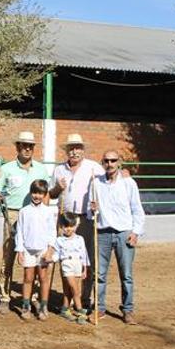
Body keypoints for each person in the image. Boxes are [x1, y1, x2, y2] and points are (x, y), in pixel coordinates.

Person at [0, 131, 50, 311]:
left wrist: (45, 216)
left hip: (36, 214)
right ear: (17, 147)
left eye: (30, 146)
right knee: (9, 255)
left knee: (37, 253)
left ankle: (35, 296)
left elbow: (45, 194)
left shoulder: (41, 169)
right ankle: (5, 297)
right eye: (23, 145)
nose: (27, 149)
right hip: (13, 214)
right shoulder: (6, 168)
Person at [49, 133, 105, 310]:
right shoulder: (59, 169)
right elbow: (51, 194)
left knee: (86, 259)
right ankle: (67, 297)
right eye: (71, 148)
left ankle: (85, 298)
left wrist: (98, 205)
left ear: (83, 150)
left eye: (78, 148)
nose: (74, 152)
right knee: (65, 256)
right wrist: (59, 187)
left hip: (85, 218)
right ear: (66, 151)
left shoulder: (93, 168)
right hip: (65, 217)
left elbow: (106, 187)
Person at [90, 150, 145, 325]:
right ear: (102, 163)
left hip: (124, 232)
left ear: (119, 162)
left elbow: (137, 209)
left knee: (127, 274)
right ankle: (99, 308)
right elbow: (89, 213)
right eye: (106, 160)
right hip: (103, 232)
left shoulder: (129, 183)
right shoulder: (95, 184)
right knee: (99, 274)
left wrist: (136, 232)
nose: (110, 164)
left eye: (113, 160)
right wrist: (92, 210)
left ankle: (128, 310)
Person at [14, 179, 56, 321]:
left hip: (43, 250)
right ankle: (26, 306)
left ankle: (43, 306)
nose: (37, 196)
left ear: (44, 194)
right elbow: (19, 232)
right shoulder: (24, 211)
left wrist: (50, 250)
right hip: (28, 250)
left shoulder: (49, 212)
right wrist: (20, 251)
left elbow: (52, 232)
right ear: (31, 193)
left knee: (43, 278)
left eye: (40, 193)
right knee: (28, 278)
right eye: (34, 193)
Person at [44, 212, 90, 325]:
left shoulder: (80, 239)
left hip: (78, 264)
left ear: (76, 226)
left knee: (72, 289)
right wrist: (50, 258)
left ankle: (65, 309)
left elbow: (84, 254)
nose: (68, 229)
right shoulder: (59, 240)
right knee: (74, 288)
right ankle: (79, 309)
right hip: (66, 264)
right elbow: (57, 255)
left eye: (71, 226)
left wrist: (85, 268)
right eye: (65, 226)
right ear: (61, 227)